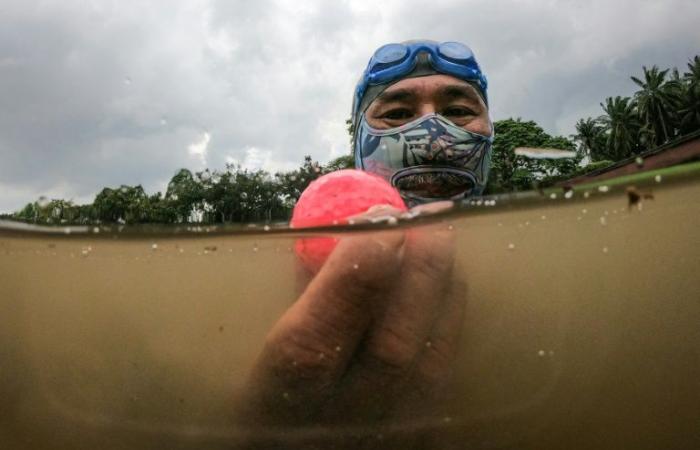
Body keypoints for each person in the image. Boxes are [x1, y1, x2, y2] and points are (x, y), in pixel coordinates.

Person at [236, 40, 494, 448]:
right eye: (396, 113)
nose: (432, 132)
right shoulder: (272, 283)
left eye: (459, 111)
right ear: (356, 145)